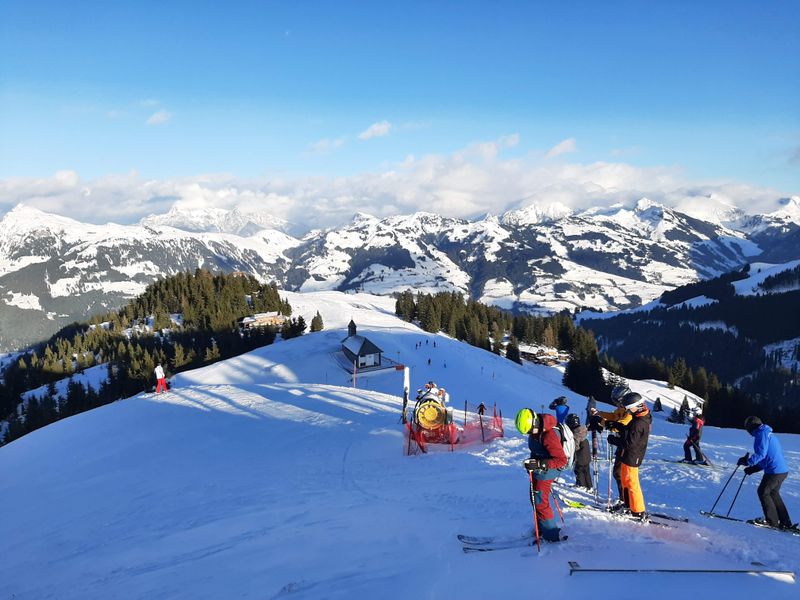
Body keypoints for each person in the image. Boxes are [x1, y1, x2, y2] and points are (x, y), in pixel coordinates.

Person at [516, 408, 568, 542]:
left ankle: (551, 535)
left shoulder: (549, 435)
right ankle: (542, 528)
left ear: (535, 423)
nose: (529, 434)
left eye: (529, 430)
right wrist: (532, 462)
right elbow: (537, 451)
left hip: (549, 470)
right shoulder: (535, 431)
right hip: (540, 468)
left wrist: (539, 464)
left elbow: (561, 460)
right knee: (534, 498)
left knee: (540, 501)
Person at [737, 416, 794, 530]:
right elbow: (766, 457)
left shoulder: (761, 434)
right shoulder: (765, 432)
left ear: (750, 427)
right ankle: (785, 522)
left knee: (763, 492)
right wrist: (753, 469)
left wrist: (747, 461)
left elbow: (761, 454)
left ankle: (772, 521)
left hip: (775, 471)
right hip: (779, 470)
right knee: (773, 493)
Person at [589, 385, 633, 508]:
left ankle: (626, 501)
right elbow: (614, 417)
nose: (617, 404)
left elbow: (618, 425)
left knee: (620, 473)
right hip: (620, 443)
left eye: (618, 401)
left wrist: (601, 422)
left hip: (626, 445)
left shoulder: (629, 412)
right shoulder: (621, 409)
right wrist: (600, 414)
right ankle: (623, 499)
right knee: (618, 473)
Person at [613, 392, 652, 519]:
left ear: (637, 406)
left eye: (630, 408)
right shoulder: (639, 417)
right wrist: (617, 426)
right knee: (625, 480)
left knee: (632, 483)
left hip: (633, 455)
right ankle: (627, 504)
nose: (628, 411)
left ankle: (638, 510)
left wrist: (614, 440)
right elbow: (629, 431)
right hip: (628, 454)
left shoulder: (639, 422)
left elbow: (629, 443)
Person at [566, 413, 592, 490]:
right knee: (586, 471)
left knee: (579, 470)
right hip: (586, 455)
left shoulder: (576, 433)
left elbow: (576, 445)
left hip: (581, 456)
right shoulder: (582, 430)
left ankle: (581, 485)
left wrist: (571, 450)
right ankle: (589, 486)